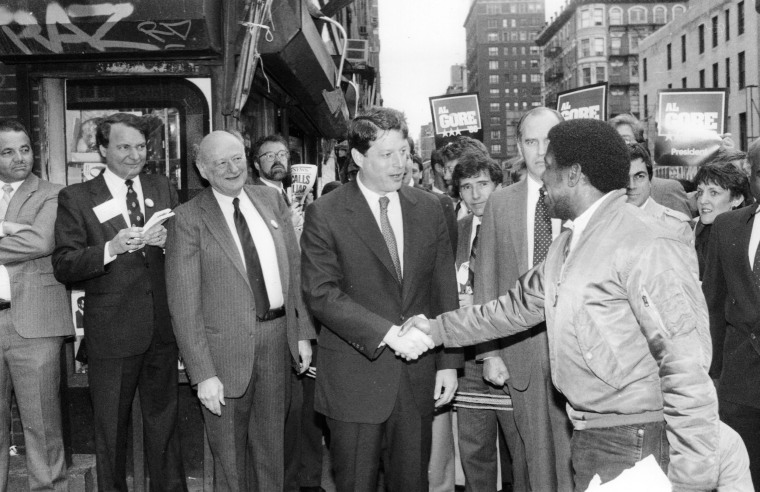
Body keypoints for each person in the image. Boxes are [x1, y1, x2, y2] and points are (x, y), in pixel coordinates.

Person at [403, 118, 720, 491]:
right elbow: (514, 308)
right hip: (594, 434)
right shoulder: (569, 244)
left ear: (574, 175)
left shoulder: (646, 242)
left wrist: (693, 480)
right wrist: (436, 328)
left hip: (637, 438)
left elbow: (686, 361)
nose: (542, 176)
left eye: (549, 166)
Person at [300, 107, 461, 492]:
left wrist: (448, 363)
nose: (400, 165)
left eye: (403, 152)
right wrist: (389, 333)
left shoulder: (431, 208)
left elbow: (443, 288)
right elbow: (321, 294)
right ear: (358, 158)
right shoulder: (326, 213)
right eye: (387, 155)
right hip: (355, 383)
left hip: (418, 378)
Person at [166, 130, 315, 490]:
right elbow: (183, 304)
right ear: (203, 169)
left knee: (272, 453)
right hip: (222, 356)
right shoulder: (188, 218)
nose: (232, 168)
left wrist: (303, 334)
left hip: (278, 341)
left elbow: (294, 271)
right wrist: (202, 373)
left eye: (237, 158)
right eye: (221, 162)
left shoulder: (270, 199)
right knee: (230, 461)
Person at [53, 113, 186, 491]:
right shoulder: (76, 197)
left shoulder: (162, 187)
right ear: (102, 149)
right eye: (124, 146)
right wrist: (109, 248)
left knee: (166, 428)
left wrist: (167, 241)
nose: (134, 155)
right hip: (111, 334)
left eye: (141, 147)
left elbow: (186, 249)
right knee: (110, 432)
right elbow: (64, 264)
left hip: (161, 328)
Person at [474, 106, 573, 491]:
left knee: (577, 458)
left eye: (548, 140)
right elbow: (487, 282)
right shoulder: (500, 203)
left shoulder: (583, 194)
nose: (539, 150)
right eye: (531, 141)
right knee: (532, 461)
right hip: (521, 352)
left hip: (576, 347)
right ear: (519, 146)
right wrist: (490, 353)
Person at [0, 119, 73, 492]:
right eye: (8, 151)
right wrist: (11, 229)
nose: (19, 158)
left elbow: (39, 242)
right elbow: (23, 239)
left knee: (42, 426)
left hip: (35, 322)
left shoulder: (53, 192)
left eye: (25, 149)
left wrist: (19, 233)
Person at [449, 150, 513, 492]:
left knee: (522, 451)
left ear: (499, 185)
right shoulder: (453, 231)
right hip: (466, 354)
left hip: (512, 351)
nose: (475, 194)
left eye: (483, 184)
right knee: (475, 452)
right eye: (466, 187)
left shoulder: (519, 228)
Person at [702, 137, 760, 488]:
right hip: (738, 388)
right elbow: (712, 305)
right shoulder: (729, 227)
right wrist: (711, 376)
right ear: (751, 176)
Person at [609, 113, 692, 217]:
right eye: (613, 141)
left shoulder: (667, 189)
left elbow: (682, 230)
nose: (620, 146)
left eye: (625, 140)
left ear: (640, 143)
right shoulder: (604, 191)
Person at [626, 143, 693, 246]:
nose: (631, 185)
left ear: (650, 180)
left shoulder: (675, 227)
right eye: (625, 177)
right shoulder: (603, 221)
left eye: (639, 176)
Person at [693, 162, 750, 278]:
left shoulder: (749, 238)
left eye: (713, 193)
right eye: (700, 192)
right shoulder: (696, 232)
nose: (702, 200)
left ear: (736, 199)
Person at [250, 135, 308, 230]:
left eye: (282, 154)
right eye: (270, 156)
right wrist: (289, 225)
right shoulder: (253, 198)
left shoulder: (284, 192)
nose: (278, 160)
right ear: (257, 164)